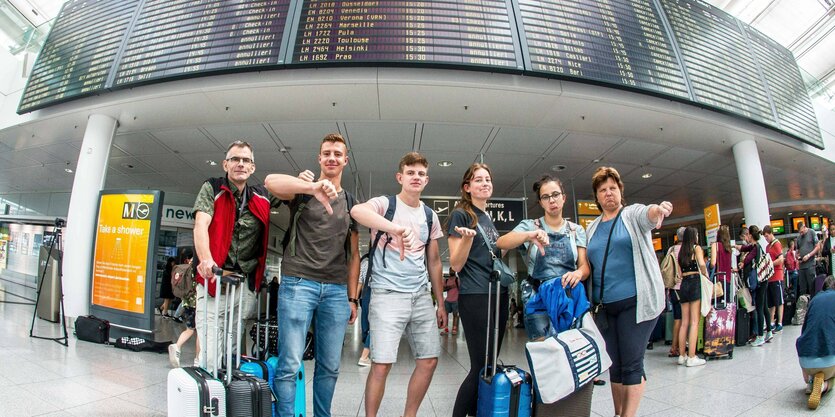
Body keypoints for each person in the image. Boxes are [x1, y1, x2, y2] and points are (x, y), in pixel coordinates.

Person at [264, 133, 360, 417]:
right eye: (326, 153)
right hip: (298, 284)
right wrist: (309, 185)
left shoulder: (351, 202)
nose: (332, 157)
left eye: (337, 153)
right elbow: (270, 181)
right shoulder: (303, 190)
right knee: (290, 363)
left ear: (345, 160)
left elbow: (354, 255)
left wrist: (352, 297)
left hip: (336, 291)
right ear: (319, 158)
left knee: (329, 366)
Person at [350, 151, 446, 417]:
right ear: (400, 176)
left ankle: (409, 415)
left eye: (421, 174)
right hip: (387, 295)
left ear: (427, 180)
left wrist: (439, 303)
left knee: (428, 361)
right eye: (411, 172)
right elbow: (357, 211)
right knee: (381, 364)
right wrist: (393, 229)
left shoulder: (429, 215)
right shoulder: (385, 204)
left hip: (420, 296)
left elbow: (435, 261)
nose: (416, 177)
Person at [584, 166, 672, 417]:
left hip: (636, 303)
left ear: (620, 191)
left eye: (612, 188)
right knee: (616, 366)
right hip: (605, 307)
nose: (608, 193)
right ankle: (618, 413)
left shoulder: (631, 215)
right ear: (597, 197)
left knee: (632, 363)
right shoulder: (592, 228)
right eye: (603, 190)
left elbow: (649, 213)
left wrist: (659, 209)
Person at [192, 140, 281, 372]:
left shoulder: (260, 196)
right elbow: (201, 224)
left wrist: (304, 182)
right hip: (215, 278)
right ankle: (208, 395)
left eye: (246, 160)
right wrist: (205, 259)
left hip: (244, 284)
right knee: (211, 348)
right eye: (235, 159)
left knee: (231, 348)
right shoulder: (213, 188)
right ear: (225, 164)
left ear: (252, 167)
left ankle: (227, 396)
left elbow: (282, 187)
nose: (240, 164)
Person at [447, 163, 509, 417]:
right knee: (481, 366)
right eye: (478, 180)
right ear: (467, 187)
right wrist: (468, 238)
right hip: (476, 295)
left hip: (497, 294)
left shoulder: (488, 218)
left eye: (487, 179)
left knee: (490, 365)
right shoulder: (461, 214)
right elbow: (455, 263)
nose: (484, 183)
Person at [495, 173, 589, 340]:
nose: (551, 200)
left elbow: (584, 266)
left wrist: (578, 274)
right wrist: (529, 235)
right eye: (545, 197)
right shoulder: (530, 225)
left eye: (555, 195)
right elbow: (501, 243)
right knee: (544, 354)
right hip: (538, 297)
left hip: (568, 297)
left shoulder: (576, 230)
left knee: (571, 350)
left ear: (564, 197)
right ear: (540, 202)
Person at [796, 275, 835, 409]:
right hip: (829, 362)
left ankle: (810, 382)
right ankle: (824, 386)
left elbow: (804, 330)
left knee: (809, 341)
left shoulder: (814, 299)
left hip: (806, 363)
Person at [674, 227, 708, 367]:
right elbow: (701, 263)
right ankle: (692, 357)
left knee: (684, 322)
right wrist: (705, 274)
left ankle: (682, 355)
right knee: (695, 322)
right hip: (694, 282)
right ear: (694, 236)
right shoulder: (696, 248)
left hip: (684, 285)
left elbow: (680, 272)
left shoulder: (681, 251)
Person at [737, 226, 770, 346]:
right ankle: (768, 332)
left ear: (750, 235)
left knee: (759, 308)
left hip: (760, 281)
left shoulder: (755, 247)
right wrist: (735, 246)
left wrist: (741, 264)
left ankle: (760, 336)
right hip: (763, 280)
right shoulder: (756, 246)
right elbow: (744, 248)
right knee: (763, 306)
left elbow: (747, 259)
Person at [168, 250, 199, 368]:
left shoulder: (188, 266)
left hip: (186, 302)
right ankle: (197, 360)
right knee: (200, 333)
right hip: (197, 303)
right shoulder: (198, 268)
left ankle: (177, 346)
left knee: (190, 329)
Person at [666, 227, 686, 359]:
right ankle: (676, 347)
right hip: (682, 287)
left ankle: (675, 347)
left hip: (672, 288)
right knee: (683, 319)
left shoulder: (671, 249)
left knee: (677, 318)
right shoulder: (686, 250)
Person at [763, 225, 785, 333]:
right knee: (771, 302)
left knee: (779, 300)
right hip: (770, 277)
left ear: (771, 233)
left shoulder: (776, 244)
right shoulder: (768, 247)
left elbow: (781, 259)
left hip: (777, 276)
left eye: (767, 236)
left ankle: (780, 322)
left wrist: (771, 264)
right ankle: (771, 322)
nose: (766, 238)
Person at [796, 222, 819, 297]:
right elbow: (797, 251)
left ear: (804, 227)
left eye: (802, 232)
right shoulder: (799, 237)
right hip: (802, 266)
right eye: (800, 232)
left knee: (812, 287)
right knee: (802, 288)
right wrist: (797, 256)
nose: (801, 234)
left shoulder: (811, 232)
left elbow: (817, 247)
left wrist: (809, 255)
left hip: (810, 265)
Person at [357, 254, 372, 366]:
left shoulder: (365, 262)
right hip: (378, 293)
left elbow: (360, 282)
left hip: (365, 295)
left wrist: (354, 299)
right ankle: (365, 355)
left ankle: (367, 344)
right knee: (376, 326)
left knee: (365, 324)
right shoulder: (384, 260)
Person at [441, 268, 461, 336]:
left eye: (452, 270)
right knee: (445, 315)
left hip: (456, 300)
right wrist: (451, 286)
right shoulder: (446, 280)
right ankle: (446, 329)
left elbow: (461, 289)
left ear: (455, 271)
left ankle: (454, 328)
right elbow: (443, 289)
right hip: (448, 300)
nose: (451, 271)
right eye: (450, 270)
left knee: (455, 315)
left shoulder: (457, 280)